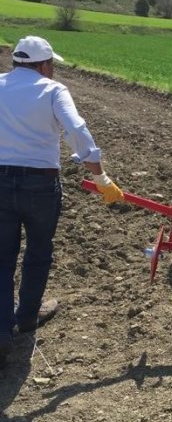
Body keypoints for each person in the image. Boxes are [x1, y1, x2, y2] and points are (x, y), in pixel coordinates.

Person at [0, 36, 124, 367]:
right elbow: (77, 130)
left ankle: (1, 332)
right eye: (51, 64)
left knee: (2, 257)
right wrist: (101, 178)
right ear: (43, 65)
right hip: (40, 185)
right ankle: (26, 316)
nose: (52, 70)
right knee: (39, 251)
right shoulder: (53, 91)